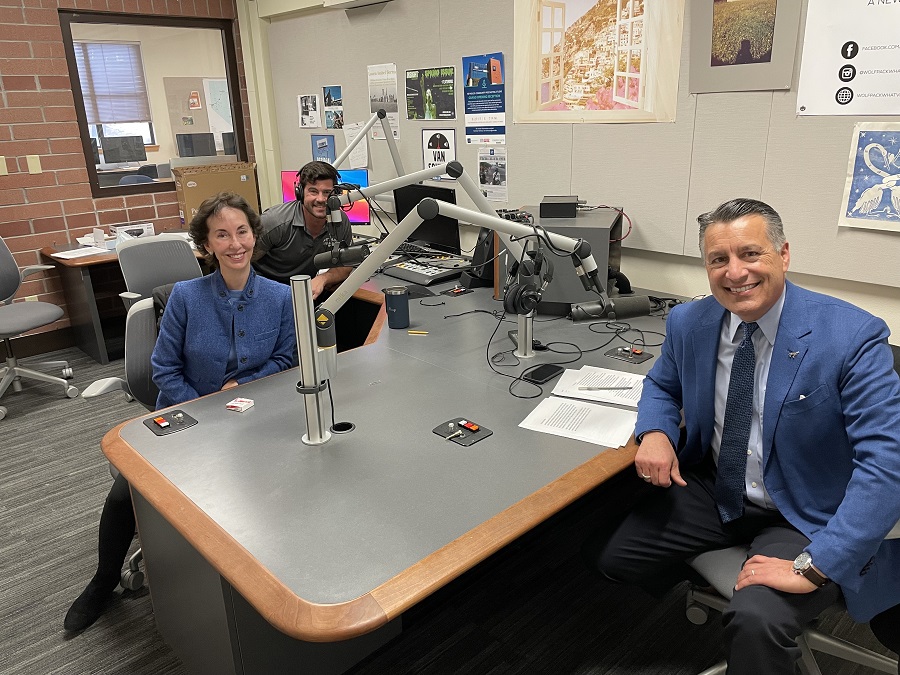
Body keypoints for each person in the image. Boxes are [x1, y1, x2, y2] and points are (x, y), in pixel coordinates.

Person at [583, 198, 900, 674]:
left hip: (802, 510)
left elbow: (887, 464)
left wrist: (816, 565)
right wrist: (654, 432)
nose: (735, 273)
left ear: (784, 254)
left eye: (750, 254)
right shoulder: (690, 322)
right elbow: (661, 385)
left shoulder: (850, 337)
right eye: (718, 259)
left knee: (757, 621)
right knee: (613, 556)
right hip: (717, 489)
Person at [64, 192, 297, 632]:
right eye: (222, 235)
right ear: (206, 245)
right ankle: (103, 580)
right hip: (187, 415)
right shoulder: (186, 297)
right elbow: (163, 368)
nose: (235, 244)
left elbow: (285, 360)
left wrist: (240, 388)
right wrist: (200, 406)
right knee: (124, 494)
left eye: (242, 232)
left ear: (254, 236)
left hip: (252, 418)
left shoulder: (279, 297)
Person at [252, 161, 353, 299]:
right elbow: (241, 261)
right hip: (265, 293)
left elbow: (346, 265)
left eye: (327, 192)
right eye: (313, 191)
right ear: (300, 193)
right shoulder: (275, 221)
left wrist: (323, 278)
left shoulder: (340, 222)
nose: (321, 199)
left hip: (304, 294)